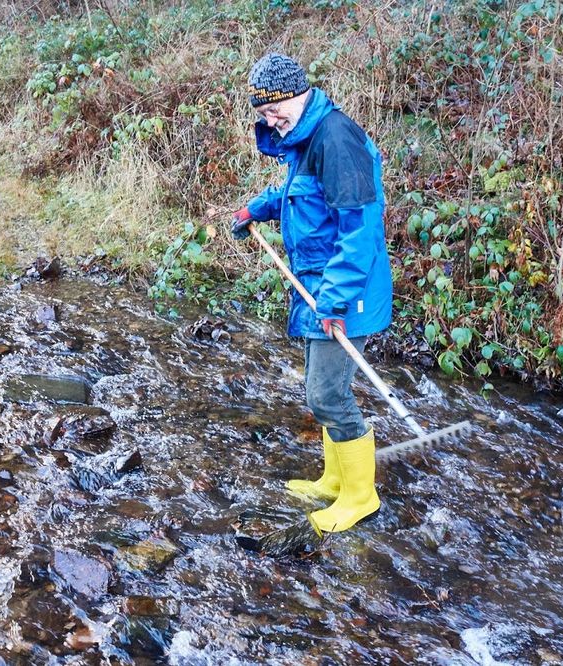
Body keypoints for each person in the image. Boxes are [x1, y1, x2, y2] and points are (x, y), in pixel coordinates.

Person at [231, 53, 393, 533]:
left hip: (345, 292)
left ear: (299, 93)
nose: (270, 118)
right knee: (322, 390)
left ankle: (361, 496)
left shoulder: (337, 140)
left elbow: (359, 229)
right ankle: (334, 480)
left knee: (327, 395)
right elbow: (298, 195)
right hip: (317, 286)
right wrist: (255, 210)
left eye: (274, 107)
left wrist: (336, 300)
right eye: (262, 112)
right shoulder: (304, 137)